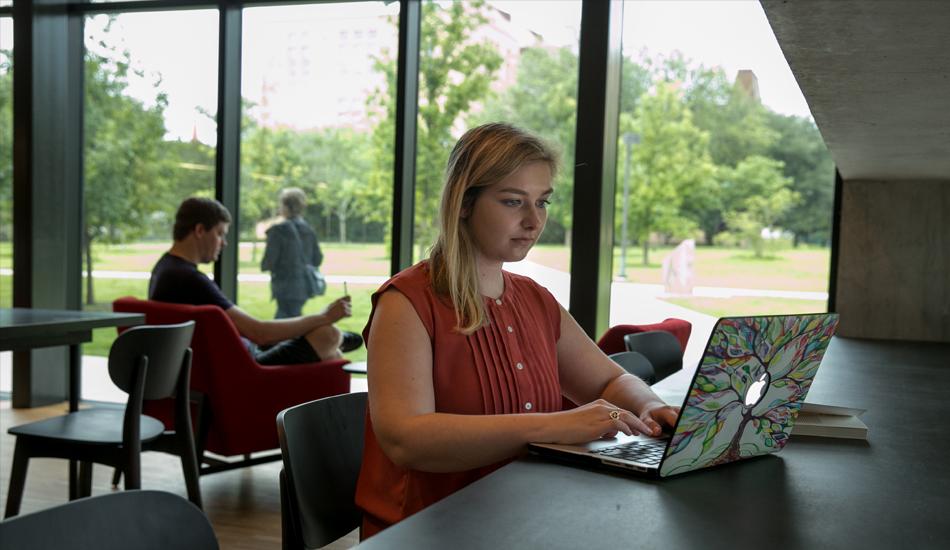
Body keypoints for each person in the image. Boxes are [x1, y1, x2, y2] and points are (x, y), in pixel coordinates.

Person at [355, 123, 680, 538]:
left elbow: (610, 379)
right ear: (464, 203)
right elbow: (406, 439)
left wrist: (648, 406)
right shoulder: (406, 302)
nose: (533, 221)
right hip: (429, 531)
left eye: (542, 202)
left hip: (527, 518)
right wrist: (554, 425)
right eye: (513, 202)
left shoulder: (535, 300)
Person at [149, 197, 362, 365]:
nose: (224, 243)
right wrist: (324, 316)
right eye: (220, 234)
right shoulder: (192, 280)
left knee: (328, 343)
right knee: (328, 335)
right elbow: (259, 332)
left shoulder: (164, 269)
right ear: (199, 230)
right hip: (247, 365)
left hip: (231, 357)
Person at [260, 187, 323, 319]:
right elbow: (317, 259)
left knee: (283, 324)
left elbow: (268, 262)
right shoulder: (309, 230)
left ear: (285, 206)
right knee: (293, 320)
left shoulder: (278, 231)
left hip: (284, 287)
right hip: (303, 286)